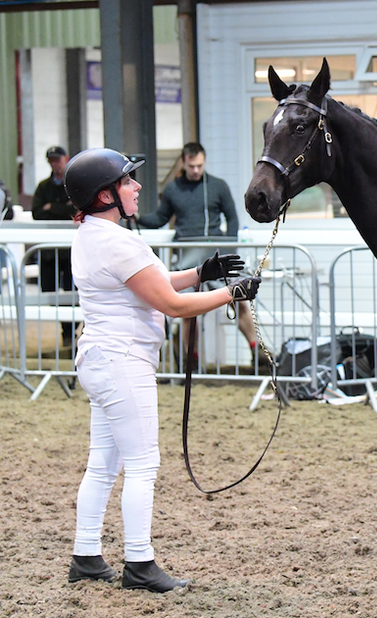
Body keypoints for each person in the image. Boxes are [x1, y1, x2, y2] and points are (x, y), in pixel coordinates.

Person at [64, 147, 260, 592]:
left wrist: (200, 272)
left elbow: (152, 283)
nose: (136, 187)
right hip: (123, 361)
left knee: (103, 464)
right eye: (126, 181)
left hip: (104, 358)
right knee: (142, 465)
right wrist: (232, 293)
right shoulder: (115, 241)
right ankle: (139, 563)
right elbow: (171, 305)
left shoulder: (94, 234)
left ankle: (86, 554)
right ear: (104, 195)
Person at [136, 142, 258, 367]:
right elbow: (160, 218)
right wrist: (137, 217)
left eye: (199, 166)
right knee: (188, 310)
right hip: (189, 258)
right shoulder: (173, 189)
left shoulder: (218, 186)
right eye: (191, 166)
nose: (195, 170)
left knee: (239, 300)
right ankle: (191, 360)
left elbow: (232, 218)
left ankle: (256, 351)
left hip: (216, 255)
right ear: (184, 162)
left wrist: (229, 250)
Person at [32, 146, 76, 346]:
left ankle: (70, 331)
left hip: (70, 250)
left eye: (57, 160)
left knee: (72, 290)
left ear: (66, 159)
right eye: (51, 160)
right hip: (49, 251)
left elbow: (75, 210)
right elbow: (37, 213)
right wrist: (63, 209)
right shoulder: (43, 187)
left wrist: (51, 207)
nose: (54, 164)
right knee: (49, 289)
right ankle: (66, 331)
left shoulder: (73, 185)